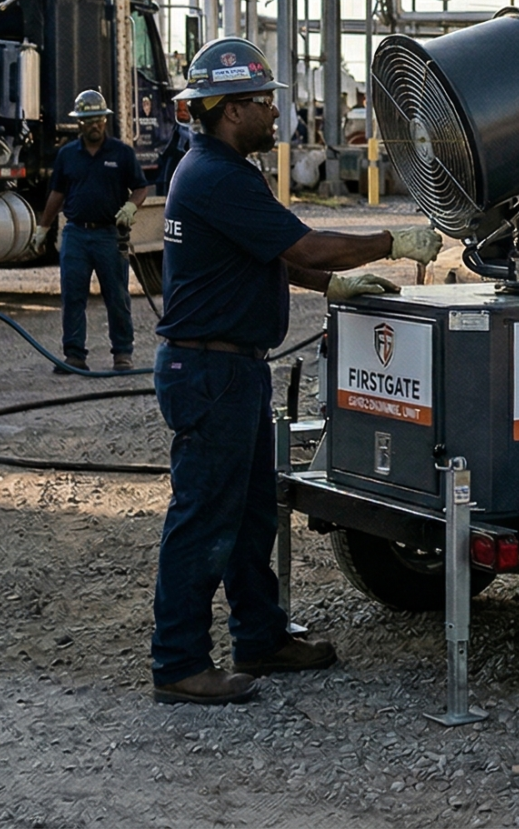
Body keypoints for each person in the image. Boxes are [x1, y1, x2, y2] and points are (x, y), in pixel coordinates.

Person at [148, 37, 443, 706]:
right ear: (228, 111)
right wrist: (389, 240)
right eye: (262, 103)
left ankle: (261, 637)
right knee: (204, 520)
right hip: (211, 373)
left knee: (252, 516)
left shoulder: (218, 170)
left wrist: (332, 284)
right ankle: (178, 663)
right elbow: (301, 242)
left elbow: (276, 258)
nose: (275, 115)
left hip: (230, 371)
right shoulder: (215, 177)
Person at [38, 89, 149, 373]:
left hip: (110, 235)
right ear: (80, 123)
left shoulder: (121, 154)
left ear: (105, 120)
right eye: (89, 121)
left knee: (117, 295)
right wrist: (43, 228)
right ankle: (75, 355)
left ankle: (122, 354)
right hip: (76, 234)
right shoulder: (67, 156)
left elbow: (140, 187)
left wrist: (131, 207)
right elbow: (57, 194)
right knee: (73, 295)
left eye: (99, 119)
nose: (95, 125)